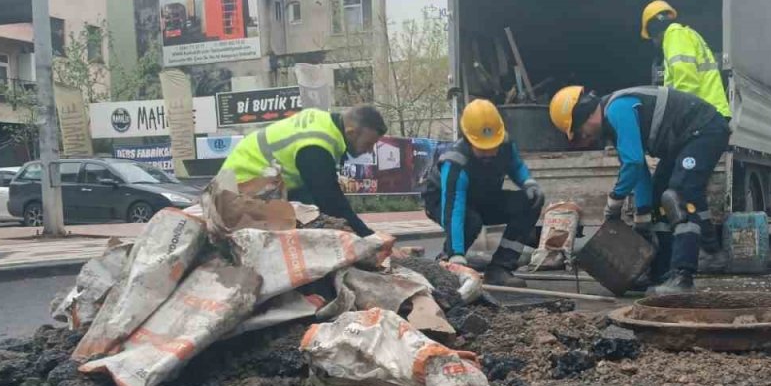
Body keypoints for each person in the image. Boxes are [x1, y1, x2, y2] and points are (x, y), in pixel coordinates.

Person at [549, 84, 730, 294]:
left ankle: (683, 277)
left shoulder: (617, 109)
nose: (585, 138)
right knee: (659, 199)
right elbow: (641, 170)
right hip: (685, 140)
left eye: (579, 132)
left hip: (705, 130)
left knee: (679, 194)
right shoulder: (612, 121)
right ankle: (663, 272)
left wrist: (614, 201)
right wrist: (643, 214)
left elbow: (633, 163)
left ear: (585, 117)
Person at [423, 99, 544, 288]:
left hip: (482, 196)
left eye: (492, 146)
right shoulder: (456, 163)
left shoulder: (505, 143)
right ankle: (447, 264)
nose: (489, 153)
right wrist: (457, 254)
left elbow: (516, 166)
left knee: (529, 201)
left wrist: (529, 183)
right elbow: (454, 209)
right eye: (483, 149)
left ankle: (500, 268)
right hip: (443, 201)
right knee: (470, 221)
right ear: (468, 139)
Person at [223, 106, 387, 236]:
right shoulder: (316, 145)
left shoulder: (323, 123)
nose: (369, 150)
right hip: (242, 190)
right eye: (368, 144)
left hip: (249, 184)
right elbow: (331, 202)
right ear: (351, 132)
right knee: (320, 218)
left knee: (314, 213)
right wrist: (369, 238)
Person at [640, 0, 731, 121]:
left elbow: (686, 79)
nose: (653, 42)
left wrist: (681, 119)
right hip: (709, 112)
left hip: (703, 115)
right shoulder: (685, 35)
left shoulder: (675, 36)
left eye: (651, 37)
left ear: (654, 29)